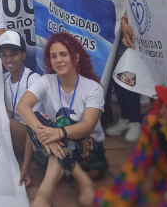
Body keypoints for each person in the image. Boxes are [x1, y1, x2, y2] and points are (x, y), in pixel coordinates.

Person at [16, 32, 106, 207]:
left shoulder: (93, 88)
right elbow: (22, 106)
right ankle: (83, 182)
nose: (58, 60)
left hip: (90, 155)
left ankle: (44, 195)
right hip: (51, 151)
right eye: (53, 56)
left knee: (62, 121)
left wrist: (57, 133)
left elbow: (88, 126)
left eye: (63, 54)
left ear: (76, 57)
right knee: (34, 117)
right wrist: (26, 165)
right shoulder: (46, 81)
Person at [95, 76, 167, 206]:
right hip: (162, 185)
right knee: (106, 201)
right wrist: (121, 201)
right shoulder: (153, 122)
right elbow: (137, 165)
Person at [0, 31, 40, 159]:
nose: (8, 59)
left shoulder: (32, 79)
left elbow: (37, 123)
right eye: (4, 55)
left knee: (6, 123)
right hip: (15, 136)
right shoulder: (4, 79)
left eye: (14, 54)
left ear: (23, 55)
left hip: (35, 137)